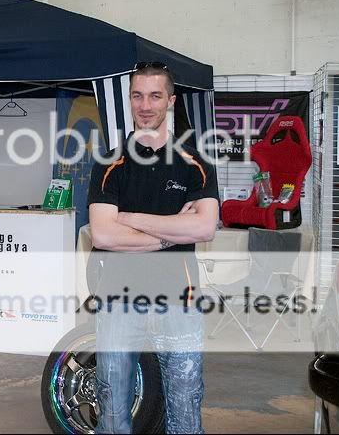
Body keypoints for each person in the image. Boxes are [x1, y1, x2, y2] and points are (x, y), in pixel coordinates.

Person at [87, 62, 219, 434]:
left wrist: (130, 218)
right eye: (138, 95)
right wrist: (169, 234)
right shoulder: (108, 161)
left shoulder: (196, 162)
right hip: (118, 295)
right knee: (113, 400)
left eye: (155, 95)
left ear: (171, 101)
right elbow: (104, 236)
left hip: (178, 294)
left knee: (186, 398)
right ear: (129, 100)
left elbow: (205, 226)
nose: (146, 105)